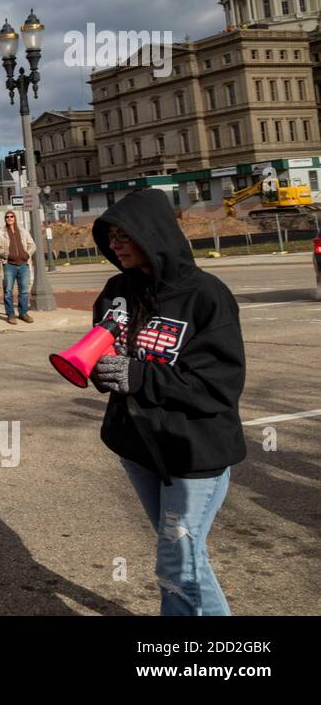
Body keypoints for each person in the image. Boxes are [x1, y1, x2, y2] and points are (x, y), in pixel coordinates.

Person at [89, 189, 245, 616]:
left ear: (152, 234)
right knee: (182, 561)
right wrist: (98, 368)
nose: (115, 245)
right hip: (139, 448)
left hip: (193, 452)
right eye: (111, 237)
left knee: (177, 565)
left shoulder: (206, 295)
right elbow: (105, 347)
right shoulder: (118, 289)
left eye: (124, 236)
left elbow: (219, 386)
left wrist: (137, 375)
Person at [0, 209, 36, 325]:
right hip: (9, 265)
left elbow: (32, 245)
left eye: (11, 216)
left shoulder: (23, 231)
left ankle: (23, 313)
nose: (9, 218)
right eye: (7, 217)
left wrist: (27, 254)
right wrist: (6, 254)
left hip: (23, 265)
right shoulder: (0, 233)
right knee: (8, 291)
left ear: (15, 218)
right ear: (5, 219)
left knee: (24, 291)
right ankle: (10, 314)